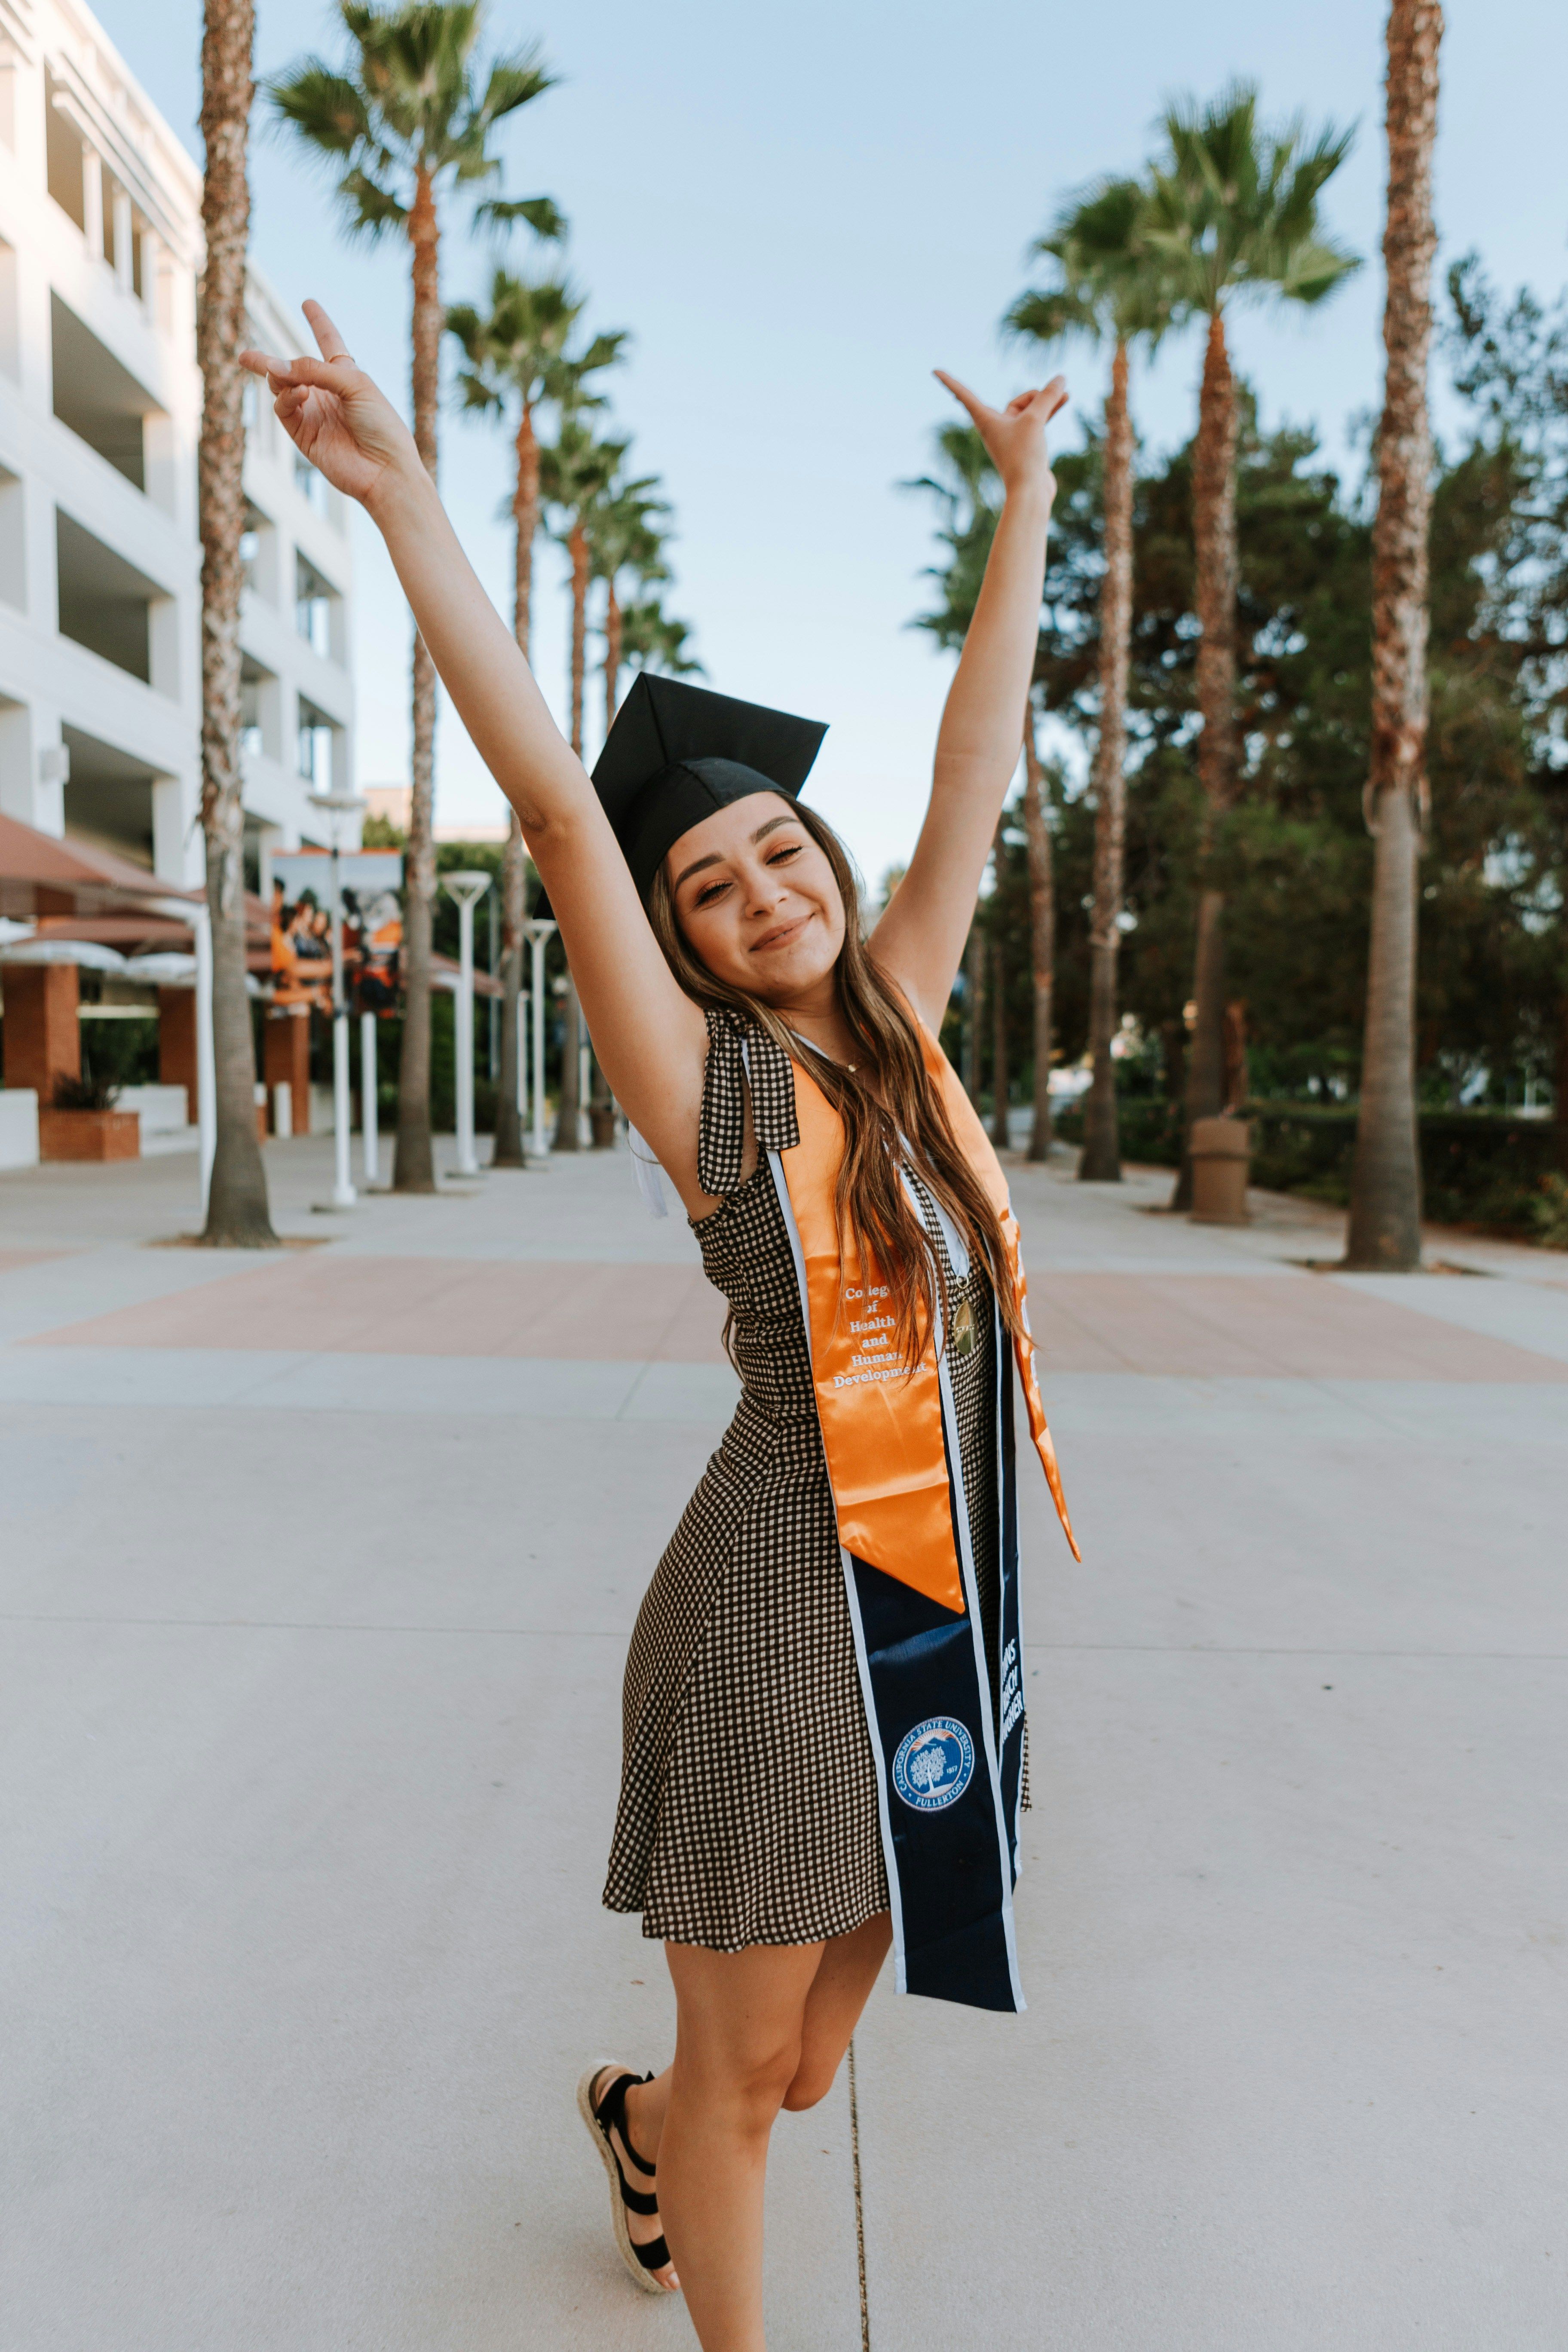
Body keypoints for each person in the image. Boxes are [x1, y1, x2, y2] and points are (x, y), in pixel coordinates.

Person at [242, 303, 1078, 2352]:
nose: (759, 890)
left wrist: (1029, 499)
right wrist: (406, 491)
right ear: (684, 939)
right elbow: (546, 799)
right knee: (751, 2087)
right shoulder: (712, 1097)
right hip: (779, 1609)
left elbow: (978, 759)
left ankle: (637, 2126)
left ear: (829, 864)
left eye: (780, 851)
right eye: (708, 886)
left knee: (792, 2067)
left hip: (940, 1605)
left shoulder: (898, 1033)